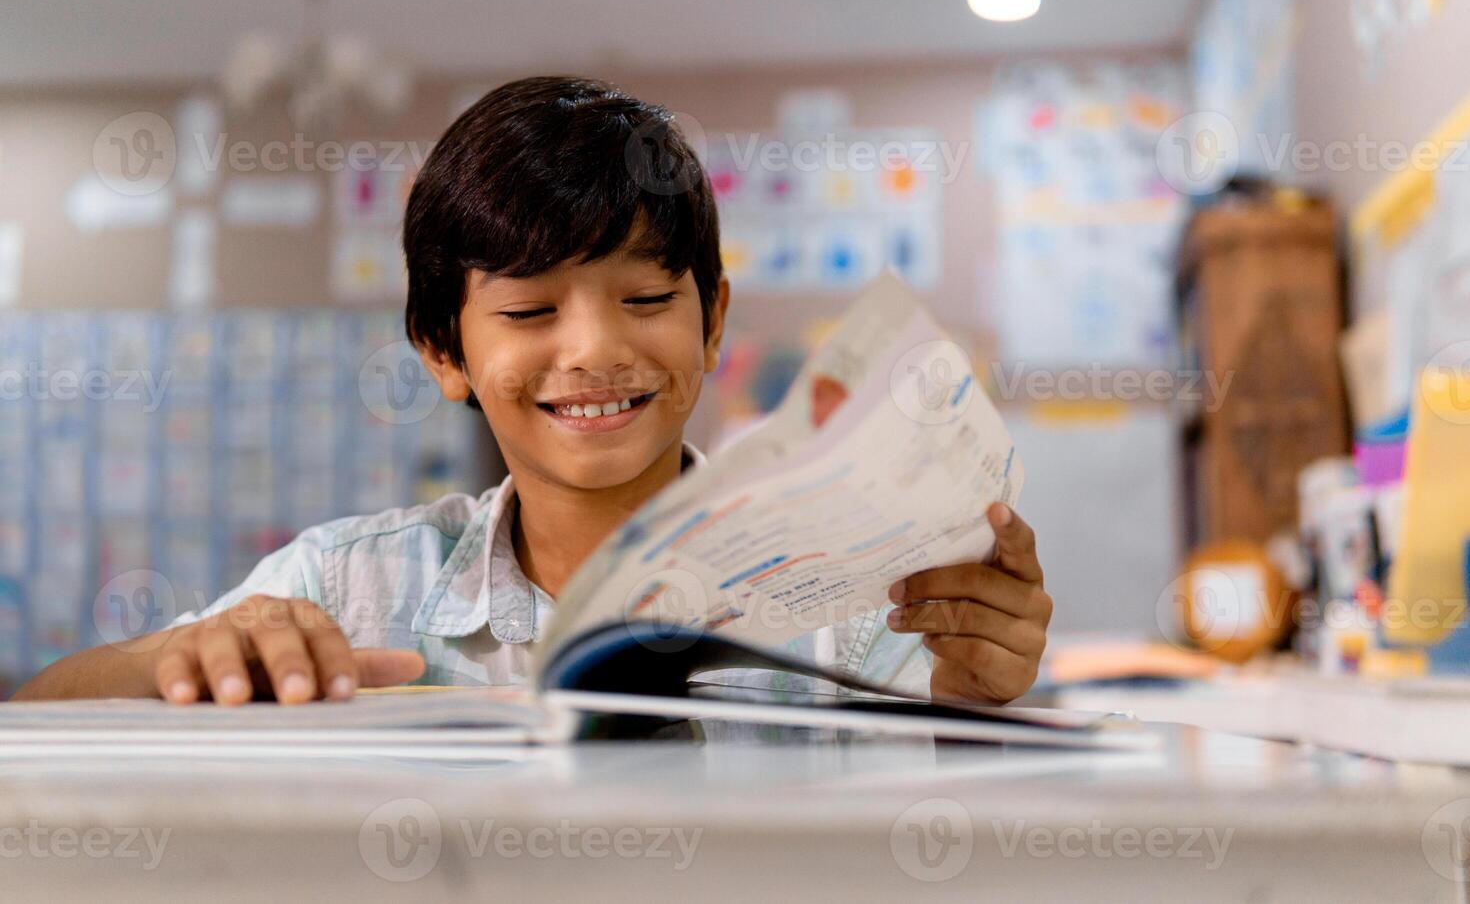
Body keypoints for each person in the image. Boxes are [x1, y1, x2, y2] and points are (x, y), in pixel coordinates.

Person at [16, 77, 1051, 706]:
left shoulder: (870, 599)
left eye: (646, 294)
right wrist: (179, 654)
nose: (596, 349)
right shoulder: (345, 586)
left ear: (715, 316)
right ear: (442, 349)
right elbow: (44, 710)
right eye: (528, 311)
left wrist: (978, 693)